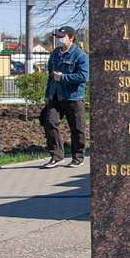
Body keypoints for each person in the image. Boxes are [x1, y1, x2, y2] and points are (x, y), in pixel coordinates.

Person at [40, 27, 89, 166]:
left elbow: (84, 76)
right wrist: (47, 94)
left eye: (63, 36)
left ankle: (78, 157)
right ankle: (57, 155)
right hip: (55, 96)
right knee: (50, 122)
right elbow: (51, 75)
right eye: (58, 36)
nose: (59, 38)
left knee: (77, 128)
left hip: (73, 97)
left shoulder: (80, 55)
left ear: (71, 37)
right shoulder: (55, 53)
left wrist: (63, 78)